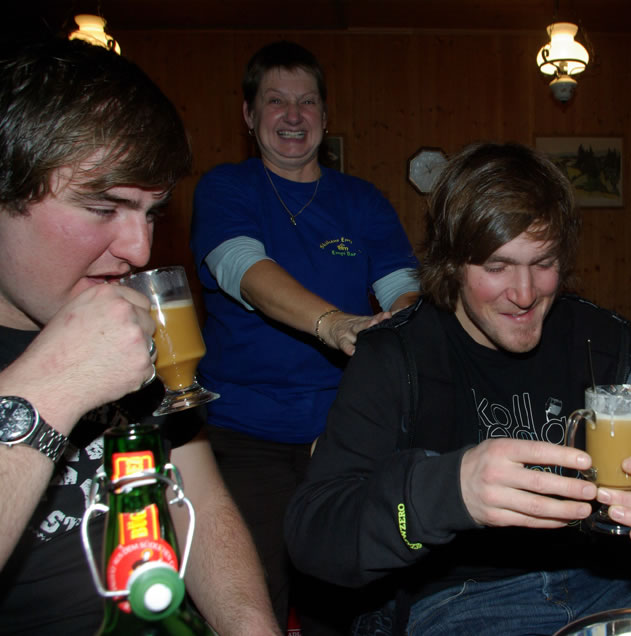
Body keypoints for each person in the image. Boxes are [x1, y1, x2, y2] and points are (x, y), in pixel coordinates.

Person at [285, 142, 631, 635]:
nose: (525, 294)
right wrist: (449, 491)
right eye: (497, 267)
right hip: (462, 602)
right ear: (452, 262)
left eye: (543, 262)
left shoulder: (603, 341)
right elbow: (313, 537)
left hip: (616, 583)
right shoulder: (395, 355)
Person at [0, 39, 280, 634]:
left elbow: (196, 499)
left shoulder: (132, 322)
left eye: (151, 212)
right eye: (104, 208)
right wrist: (54, 385)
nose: (140, 249)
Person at [189, 40, 419, 631]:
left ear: (324, 114)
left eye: (307, 102)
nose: (293, 116)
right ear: (248, 115)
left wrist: (411, 321)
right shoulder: (226, 187)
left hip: (343, 436)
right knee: (251, 602)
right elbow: (243, 269)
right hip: (244, 436)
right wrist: (332, 323)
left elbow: (403, 287)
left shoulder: (360, 199)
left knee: (345, 602)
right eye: (276, 101)